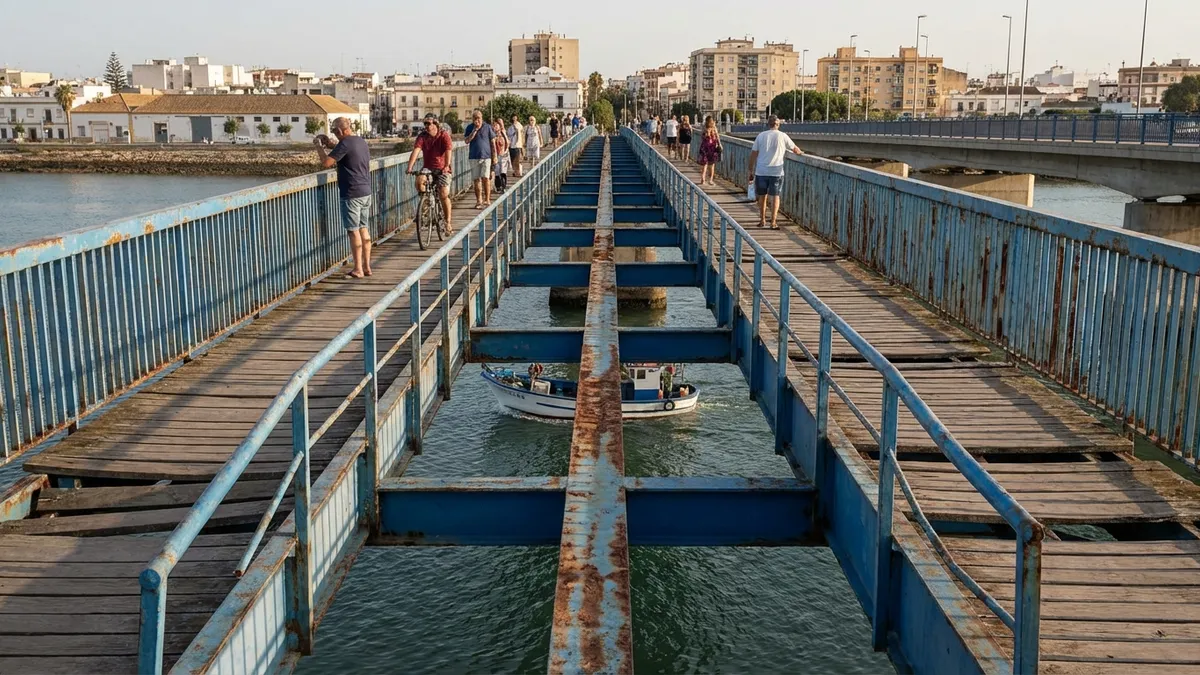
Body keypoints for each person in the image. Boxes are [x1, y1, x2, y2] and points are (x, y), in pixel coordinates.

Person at [314, 117, 373, 279]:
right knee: (364, 229)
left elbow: (326, 162)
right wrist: (330, 144)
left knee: (353, 231)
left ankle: (358, 269)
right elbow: (343, 150)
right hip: (365, 191)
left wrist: (319, 147)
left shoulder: (345, 143)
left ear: (340, 131)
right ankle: (367, 267)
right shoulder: (360, 141)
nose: (334, 133)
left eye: (334, 131)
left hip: (351, 192)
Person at [748, 115, 804, 229]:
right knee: (775, 196)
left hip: (761, 171)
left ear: (768, 124)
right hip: (776, 172)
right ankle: (773, 222)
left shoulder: (761, 136)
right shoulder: (783, 136)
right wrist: (801, 153)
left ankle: (762, 220)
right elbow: (795, 149)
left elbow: (753, 154)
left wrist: (750, 170)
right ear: (778, 125)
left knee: (762, 196)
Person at [406, 113, 456, 233]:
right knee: (419, 182)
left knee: (443, 194)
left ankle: (447, 222)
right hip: (428, 168)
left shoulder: (444, 135)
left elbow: (449, 150)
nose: (428, 126)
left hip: (442, 168)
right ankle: (427, 205)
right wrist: (410, 167)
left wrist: (446, 165)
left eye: (430, 123)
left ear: (436, 124)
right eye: (426, 124)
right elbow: (416, 151)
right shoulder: (422, 137)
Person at [463, 109, 498, 208]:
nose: (476, 120)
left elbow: (493, 142)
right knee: (476, 179)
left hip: (486, 156)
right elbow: (466, 141)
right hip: (474, 157)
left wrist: (494, 156)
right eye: (474, 118)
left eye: (478, 118)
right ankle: (479, 201)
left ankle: (487, 199)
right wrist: (474, 131)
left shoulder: (487, 127)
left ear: (481, 118)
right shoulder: (470, 127)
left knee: (486, 178)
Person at [697, 115, 722, 186]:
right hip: (709, 148)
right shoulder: (708, 128)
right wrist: (719, 144)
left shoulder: (710, 128)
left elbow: (717, 137)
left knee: (706, 164)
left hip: (708, 148)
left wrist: (719, 144)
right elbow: (716, 137)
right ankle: (708, 180)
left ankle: (704, 179)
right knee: (710, 165)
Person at [492, 118, 510, 193]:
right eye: (494, 125)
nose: (495, 127)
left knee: (503, 171)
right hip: (496, 155)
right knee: (497, 172)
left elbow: (507, 142)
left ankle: (503, 186)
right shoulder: (492, 134)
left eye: (497, 125)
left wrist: (505, 151)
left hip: (503, 155)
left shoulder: (503, 133)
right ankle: (498, 186)